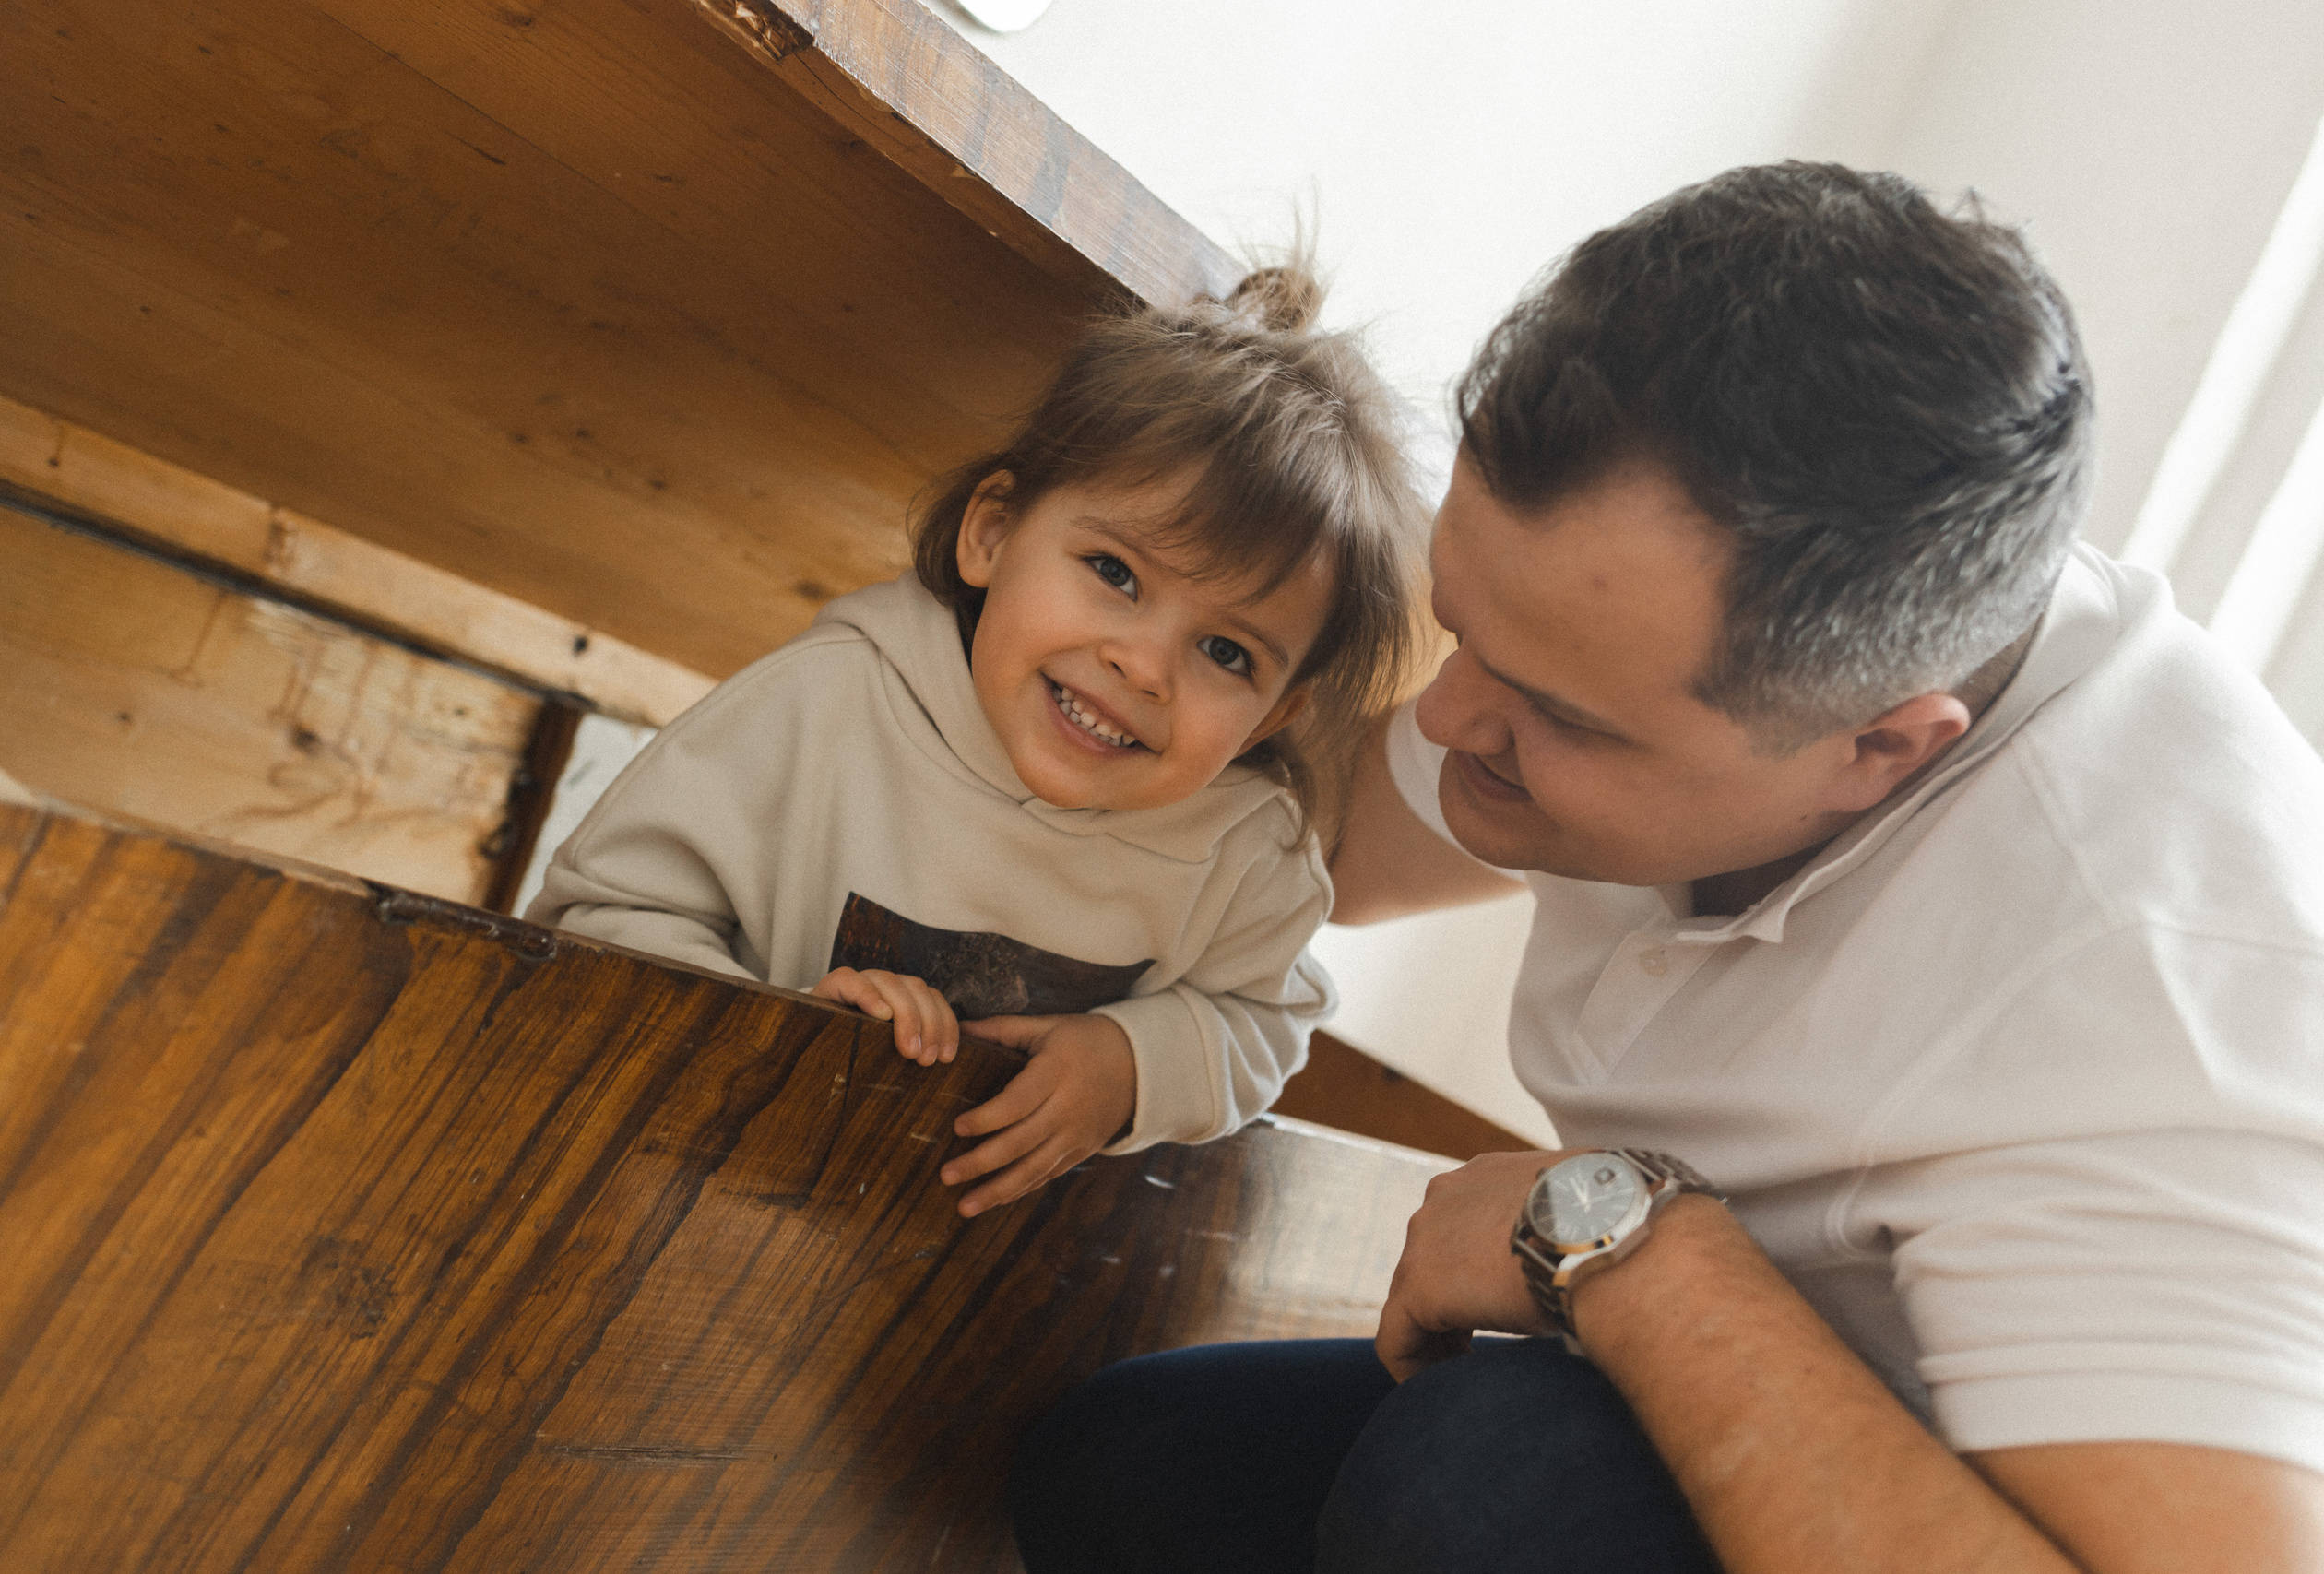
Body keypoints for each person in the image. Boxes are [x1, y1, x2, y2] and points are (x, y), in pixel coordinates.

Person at [1012, 164, 2324, 1571]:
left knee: (1485, 1480)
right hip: (1718, 1421)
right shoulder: (1673, 628)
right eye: (1463, 627)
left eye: (1561, 719)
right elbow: (1298, 835)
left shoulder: (2160, 995)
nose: (1444, 720)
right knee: (1136, 1471)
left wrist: (1629, 1248)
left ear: (1877, 748)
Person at [528, 266, 1420, 1217]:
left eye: (1224, 651)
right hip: (690, 1186)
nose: (1146, 666)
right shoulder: (826, 703)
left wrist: (1133, 1065)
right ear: (991, 533)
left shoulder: (1247, 853)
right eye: (1115, 572)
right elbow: (595, 916)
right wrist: (777, 1030)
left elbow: (1262, 1022)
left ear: (1276, 714)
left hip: (967, 1269)